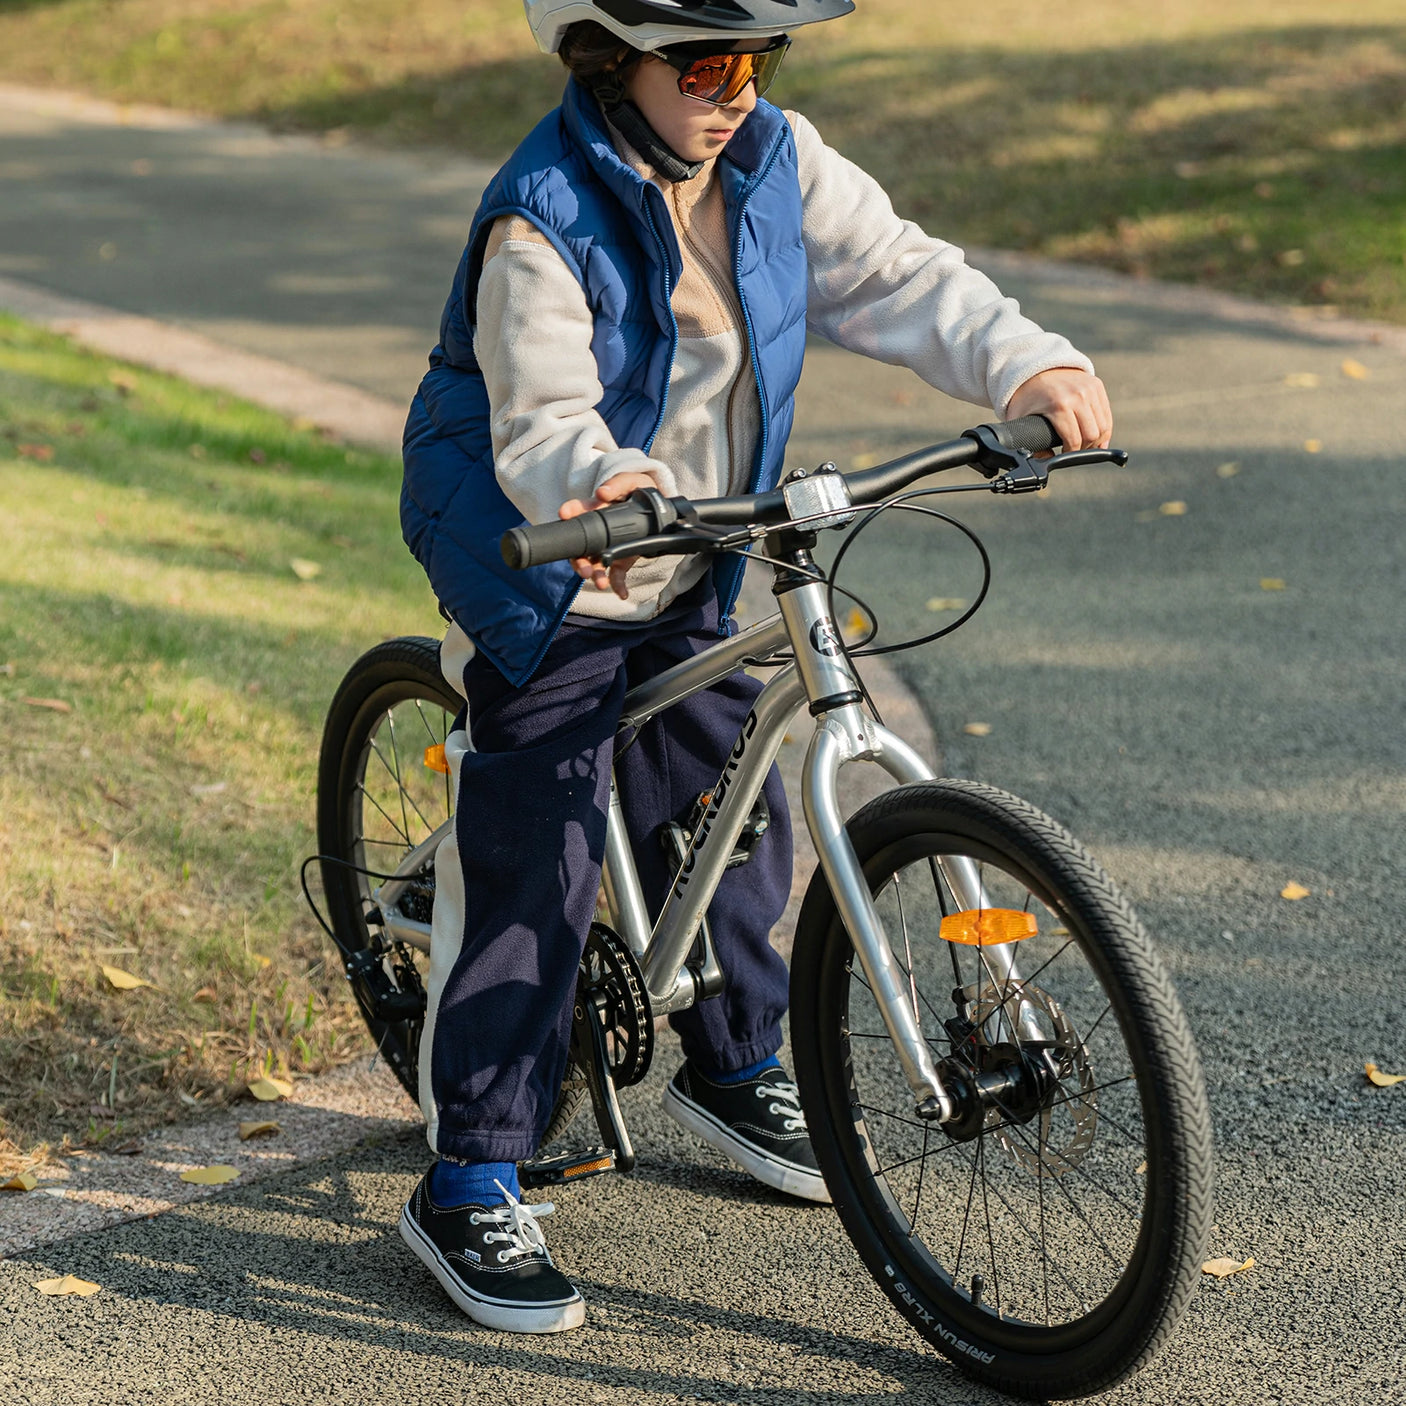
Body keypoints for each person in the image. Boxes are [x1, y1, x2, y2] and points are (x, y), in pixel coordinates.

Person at [396, 0, 1113, 1335]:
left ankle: (731, 1065)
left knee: (731, 792)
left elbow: (900, 276)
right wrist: (601, 477)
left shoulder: (776, 160)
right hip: (550, 541)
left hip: (706, 533)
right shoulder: (537, 212)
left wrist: (1030, 361)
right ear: (613, 60)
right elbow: (541, 402)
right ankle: (470, 1168)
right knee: (537, 844)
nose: (737, 90)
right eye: (708, 64)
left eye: (756, 60)